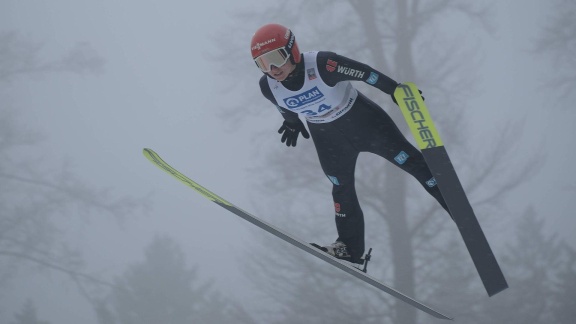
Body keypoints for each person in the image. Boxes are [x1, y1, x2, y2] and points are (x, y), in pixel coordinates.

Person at [250, 23, 450, 265]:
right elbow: (283, 105)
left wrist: (395, 91)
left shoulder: (323, 65)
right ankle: (349, 247)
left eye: (275, 58)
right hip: (328, 139)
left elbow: (367, 74)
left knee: (409, 162)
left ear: (292, 50)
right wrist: (291, 123)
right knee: (340, 186)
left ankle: (450, 198)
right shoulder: (267, 86)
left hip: (365, 123)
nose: (271, 69)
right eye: (262, 63)